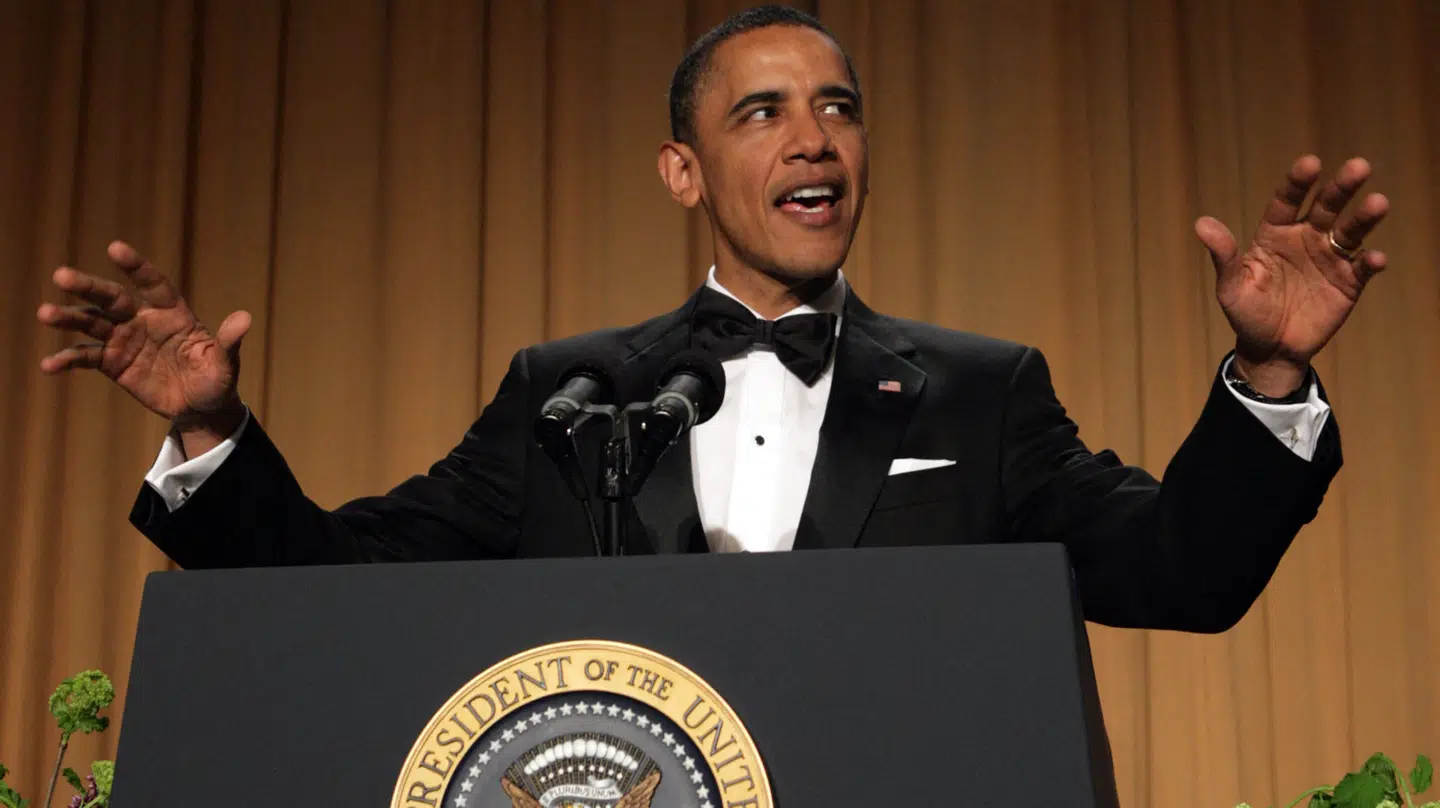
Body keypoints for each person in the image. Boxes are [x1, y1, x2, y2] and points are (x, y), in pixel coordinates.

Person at [35, 6, 1389, 633]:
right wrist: (212, 435)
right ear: (684, 173)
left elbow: (1180, 579)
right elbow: (332, 591)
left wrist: (1268, 374)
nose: (816, 140)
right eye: (764, 113)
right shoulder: (563, 396)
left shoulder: (985, 394)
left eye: (840, 107)